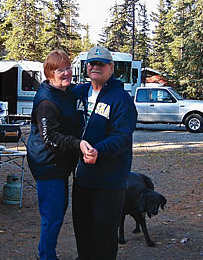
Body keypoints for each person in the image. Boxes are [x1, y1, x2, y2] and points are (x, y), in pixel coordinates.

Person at [27, 50, 93, 260]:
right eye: (59, 70)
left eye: (67, 68)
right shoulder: (47, 102)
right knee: (52, 215)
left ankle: (46, 254)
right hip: (48, 164)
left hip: (59, 164)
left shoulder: (65, 90)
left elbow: (81, 88)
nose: (66, 73)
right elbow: (51, 138)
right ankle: (45, 256)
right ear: (49, 74)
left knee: (58, 210)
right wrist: (78, 144)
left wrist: (105, 83)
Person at [72, 46, 138, 260]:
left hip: (109, 181)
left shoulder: (121, 99)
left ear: (111, 68)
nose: (95, 67)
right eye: (92, 63)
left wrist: (98, 151)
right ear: (86, 67)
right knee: (83, 231)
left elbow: (122, 137)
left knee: (104, 236)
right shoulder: (79, 93)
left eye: (101, 63)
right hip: (82, 178)